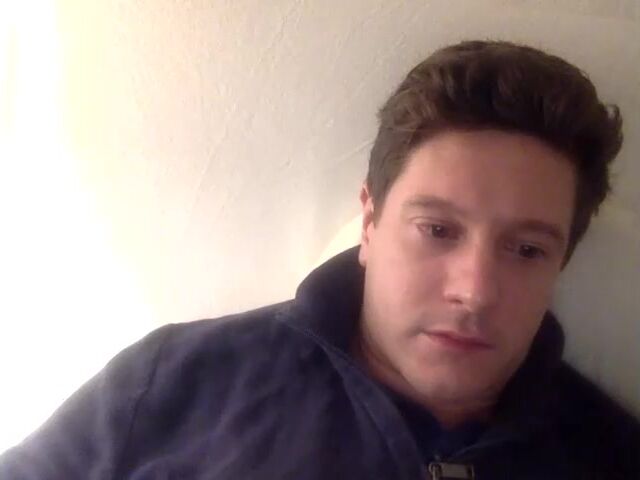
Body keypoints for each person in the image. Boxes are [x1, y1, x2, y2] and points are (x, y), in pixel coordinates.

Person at [1, 40, 638, 480]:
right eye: (438, 230)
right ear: (370, 221)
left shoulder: (613, 456)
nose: (474, 291)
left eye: (526, 250)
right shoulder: (176, 382)